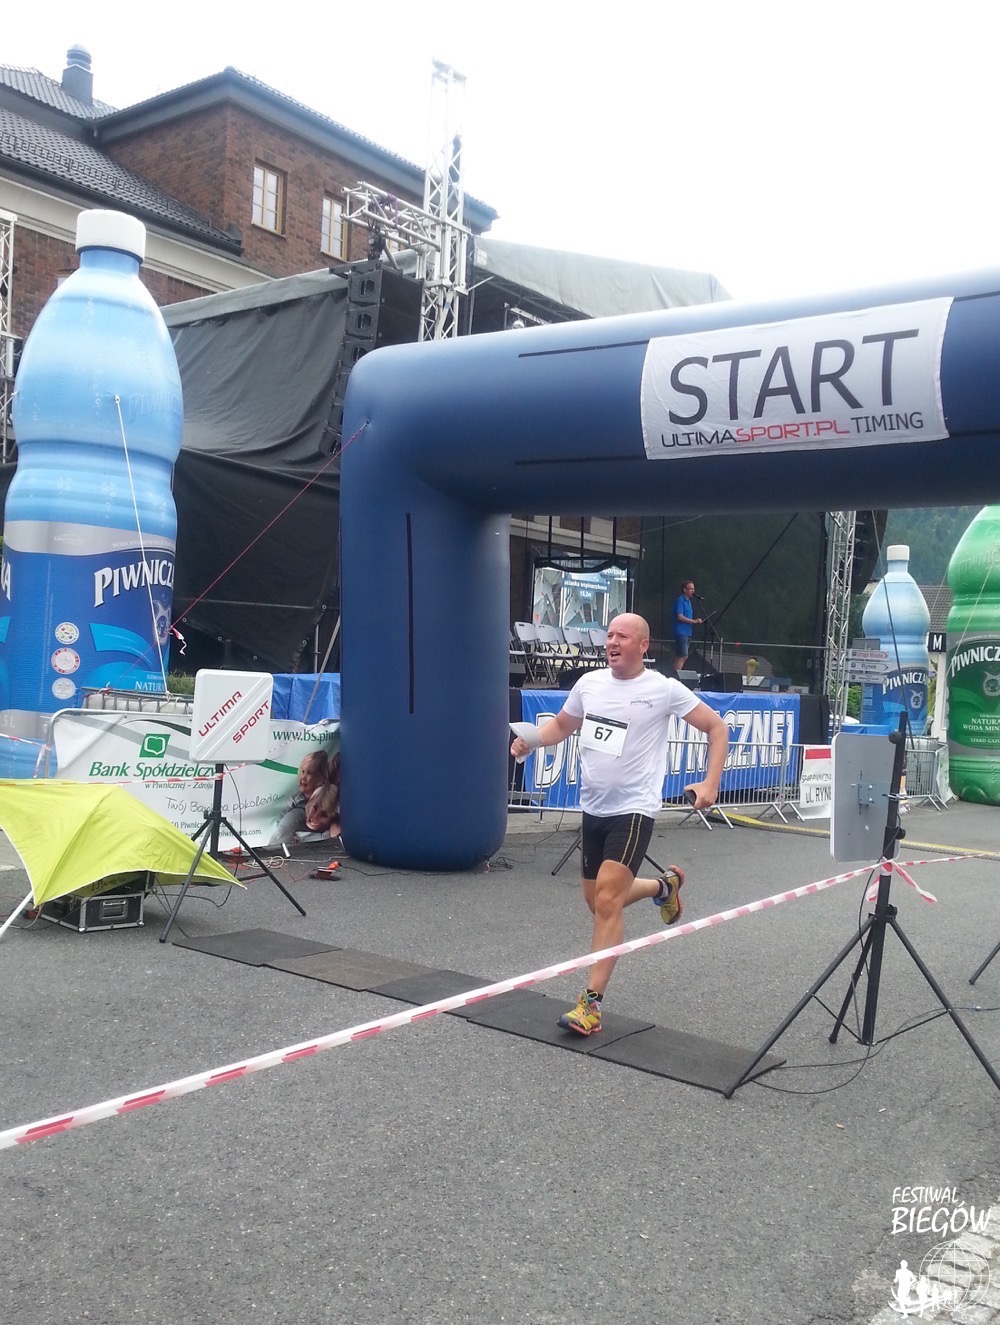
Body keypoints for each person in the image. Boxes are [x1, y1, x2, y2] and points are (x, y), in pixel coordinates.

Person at [510, 612, 728, 1036]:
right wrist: (529, 741)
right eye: (609, 635)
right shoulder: (589, 684)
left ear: (643, 646)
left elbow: (716, 727)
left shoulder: (663, 689)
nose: (612, 642)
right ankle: (663, 887)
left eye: (622, 637)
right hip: (594, 808)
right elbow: (561, 726)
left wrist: (711, 782)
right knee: (597, 902)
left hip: (634, 809)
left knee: (608, 899)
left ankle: (590, 1006)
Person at [275, 749, 331, 844]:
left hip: (322, 839)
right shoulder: (296, 798)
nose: (303, 778)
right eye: (303, 772)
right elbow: (281, 822)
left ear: (321, 778)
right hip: (299, 840)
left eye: (309, 773)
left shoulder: (328, 797)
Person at [673, 579, 703, 673]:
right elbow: (680, 616)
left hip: (688, 632)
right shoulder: (680, 600)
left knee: (680, 656)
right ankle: (677, 676)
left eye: (693, 589)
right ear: (684, 589)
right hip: (681, 632)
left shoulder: (689, 602)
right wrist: (694, 621)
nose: (692, 591)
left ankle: (674, 674)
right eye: (690, 589)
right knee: (683, 656)